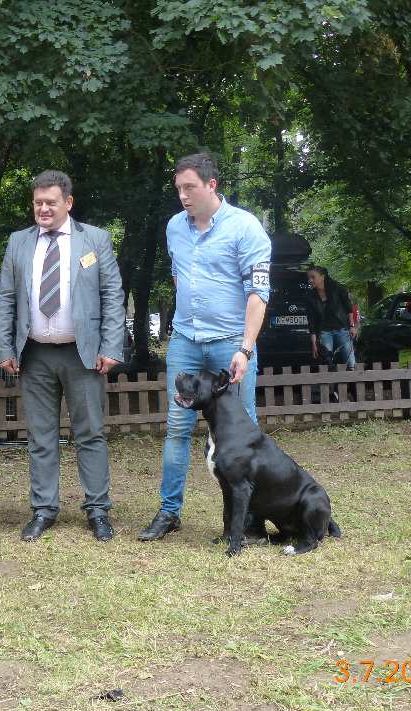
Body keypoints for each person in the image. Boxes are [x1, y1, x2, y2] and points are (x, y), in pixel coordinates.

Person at [138, 152, 271, 542]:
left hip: (232, 344)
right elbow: (180, 279)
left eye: (189, 187)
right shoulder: (174, 227)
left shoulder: (246, 228)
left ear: (212, 184)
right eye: (178, 188)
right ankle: (168, 512)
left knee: (244, 430)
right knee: (177, 429)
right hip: (185, 342)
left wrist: (245, 349)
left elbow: (258, 294)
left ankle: (250, 522)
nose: (182, 195)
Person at [0, 169, 125, 543]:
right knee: (40, 437)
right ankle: (44, 509)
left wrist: (111, 346)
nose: (44, 209)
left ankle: (98, 510)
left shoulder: (95, 240)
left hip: (83, 355)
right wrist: (4, 347)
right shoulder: (18, 242)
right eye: (38, 203)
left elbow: (113, 295)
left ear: (68, 203)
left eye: (51, 202)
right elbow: (5, 298)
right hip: (33, 354)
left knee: (91, 434)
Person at [305, 265, 357, 367]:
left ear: (322, 277)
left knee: (350, 362)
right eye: (308, 278)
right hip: (324, 332)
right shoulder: (310, 296)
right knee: (326, 362)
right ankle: (330, 383)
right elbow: (311, 322)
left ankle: (353, 381)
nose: (310, 280)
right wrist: (314, 345)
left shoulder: (337, 288)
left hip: (342, 329)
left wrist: (352, 326)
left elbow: (348, 307)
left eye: (313, 277)